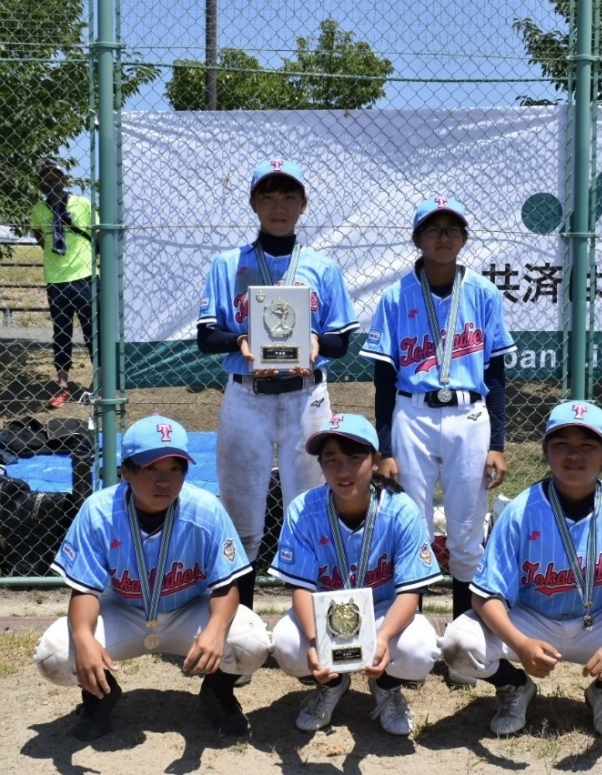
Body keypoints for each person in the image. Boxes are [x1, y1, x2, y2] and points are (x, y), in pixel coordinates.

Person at [439, 401, 602, 739]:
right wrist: (520, 643)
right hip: (530, 618)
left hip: (599, 619)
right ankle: (514, 686)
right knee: (457, 643)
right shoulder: (520, 511)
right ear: (546, 451)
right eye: (561, 444)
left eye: (587, 445)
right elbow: (485, 596)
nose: (573, 454)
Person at [33, 415, 271, 741]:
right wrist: (85, 639)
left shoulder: (206, 510)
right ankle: (98, 698)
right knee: (55, 654)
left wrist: (216, 630)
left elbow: (226, 586)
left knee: (252, 640)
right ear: (126, 471)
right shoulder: (98, 511)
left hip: (188, 610)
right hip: (124, 611)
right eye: (151, 468)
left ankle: (218, 693)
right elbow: (84, 592)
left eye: (175, 469)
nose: (164, 481)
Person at [359, 196, 516, 686]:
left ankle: (465, 647)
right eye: (433, 229)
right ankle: (419, 643)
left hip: (470, 412)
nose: (443, 237)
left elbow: (496, 372)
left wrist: (498, 442)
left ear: (464, 239)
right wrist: (385, 448)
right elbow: (384, 379)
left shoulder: (483, 293)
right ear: (417, 239)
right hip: (413, 411)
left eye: (452, 229)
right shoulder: (396, 296)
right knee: (415, 527)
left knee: (468, 528)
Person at [196, 159, 359, 616]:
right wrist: (241, 341)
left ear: (304, 205)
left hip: (306, 396)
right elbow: (207, 337)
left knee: (311, 514)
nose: (278, 206)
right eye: (268, 197)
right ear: (253, 204)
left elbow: (342, 341)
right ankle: (239, 631)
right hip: (247, 397)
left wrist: (316, 342)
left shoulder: (322, 266)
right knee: (241, 522)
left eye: (289, 197)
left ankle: (319, 632)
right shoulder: (228, 265)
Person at [268, 413, 442, 735]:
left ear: (375, 461)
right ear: (321, 465)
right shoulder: (303, 510)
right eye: (331, 460)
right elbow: (301, 588)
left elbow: (410, 591)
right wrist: (315, 641)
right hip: (325, 615)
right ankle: (332, 684)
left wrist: (384, 638)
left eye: (354, 458)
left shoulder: (401, 509)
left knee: (420, 648)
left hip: (382, 611)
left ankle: (386, 687)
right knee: (287, 644)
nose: (343, 471)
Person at [30, 158, 96, 409]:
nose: (51, 181)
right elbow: (40, 236)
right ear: (40, 182)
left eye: (55, 176)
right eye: (46, 177)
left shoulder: (83, 204)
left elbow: (97, 233)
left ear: (64, 179)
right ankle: (63, 386)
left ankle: (99, 384)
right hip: (56, 281)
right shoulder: (38, 209)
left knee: (93, 332)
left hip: (86, 277)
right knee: (61, 334)